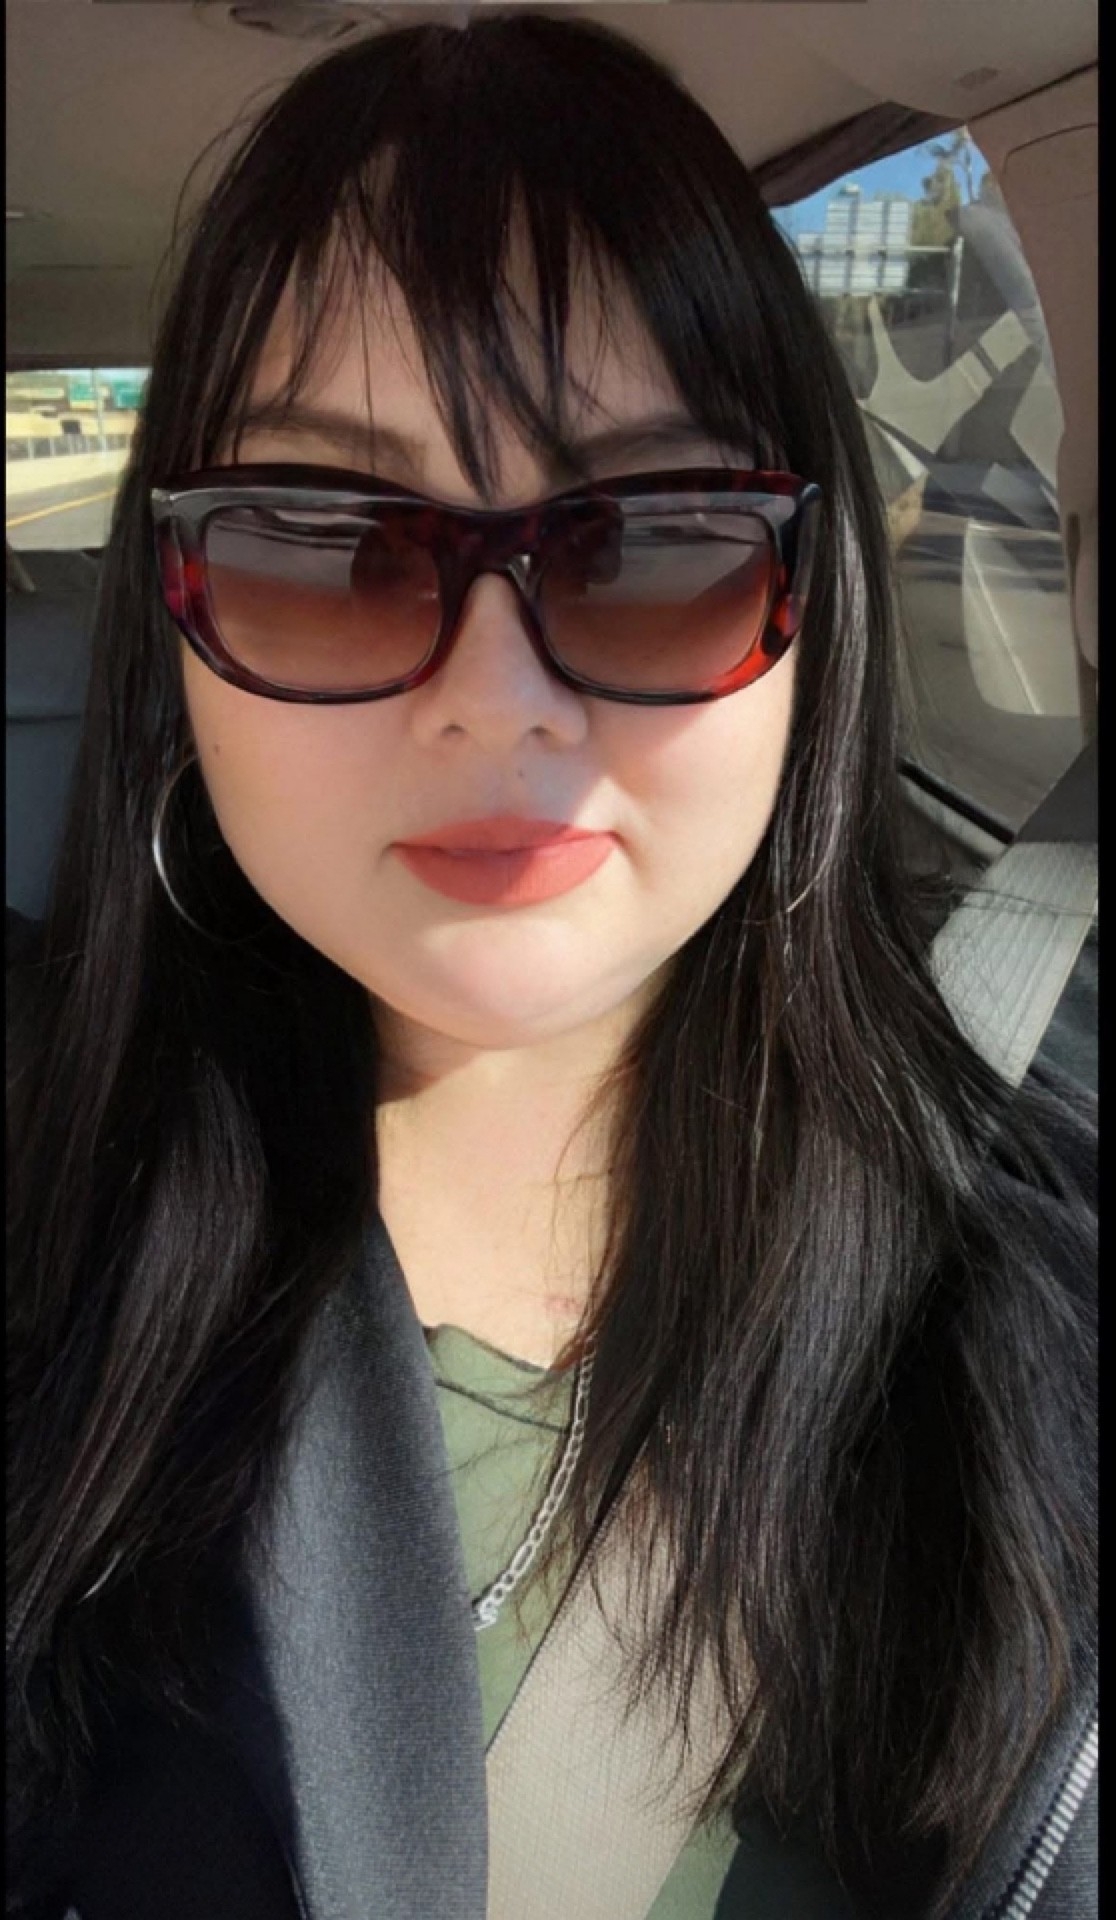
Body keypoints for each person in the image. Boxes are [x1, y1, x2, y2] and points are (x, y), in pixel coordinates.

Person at [6, 13, 1096, 1920]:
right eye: (321, 543)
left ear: (814, 611)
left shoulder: (1042, 1320)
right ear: (173, 635)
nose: (495, 703)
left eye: (657, 541)